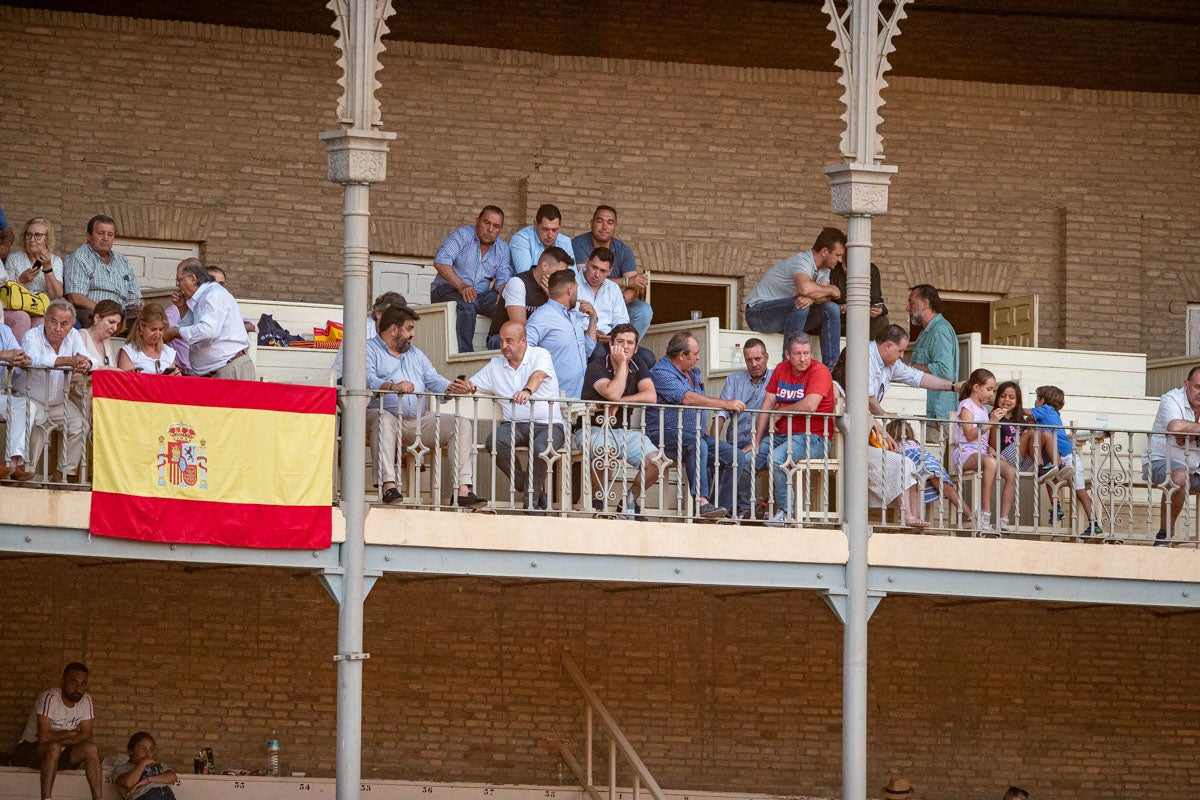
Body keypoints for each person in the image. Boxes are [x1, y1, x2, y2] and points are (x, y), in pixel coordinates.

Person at [366, 304, 486, 509]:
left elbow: (434, 380)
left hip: (419, 419)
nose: (413, 334)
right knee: (383, 419)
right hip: (385, 416)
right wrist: (393, 387)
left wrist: (452, 388)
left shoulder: (416, 354)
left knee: (461, 424)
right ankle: (388, 486)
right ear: (394, 330)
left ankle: (462, 491)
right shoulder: (368, 348)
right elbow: (366, 378)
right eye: (409, 329)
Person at [448, 321, 563, 510]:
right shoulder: (496, 365)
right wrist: (464, 386)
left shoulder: (540, 354)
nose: (503, 346)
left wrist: (527, 391)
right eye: (501, 341)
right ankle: (525, 485)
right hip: (514, 425)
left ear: (523, 341)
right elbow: (474, 385)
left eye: (509, 341)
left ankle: (530, 505)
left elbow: (538, 376)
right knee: (495, 441)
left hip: (548, 424)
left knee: (542, 448)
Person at [645, 330, 742, 520]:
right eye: (695, 354)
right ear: (682, 355)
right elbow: (688, 399)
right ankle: (702, 504)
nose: (698, 358)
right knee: (698, 445)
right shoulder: (661, 372)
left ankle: (719, 510)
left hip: (694, 434)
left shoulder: (694, 372)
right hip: (664, 435)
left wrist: (701, 423)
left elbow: (698, 403)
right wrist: (726, 404)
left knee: (735, 456)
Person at [832, 350, 928, 529]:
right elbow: (841, 419)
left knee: (909, 464)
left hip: (860, 447)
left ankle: (915, 517)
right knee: (901, 464)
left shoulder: (854, 392)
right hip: (844, 447)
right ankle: (907, 515)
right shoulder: (835, 387)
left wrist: (885, 434)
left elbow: (868, 417)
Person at [750, 335, 836, 525]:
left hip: (814, 437)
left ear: (812, 354)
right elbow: (767, 404)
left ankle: (787, 514)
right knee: (746, 459)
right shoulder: (781, 369)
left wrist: (781, 412)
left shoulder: (819, 371)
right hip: (781, 435)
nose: (803, 358)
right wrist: (755, 441)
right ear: (788, 354)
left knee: (778, 458)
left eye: (806, 353)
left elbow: (810, 405)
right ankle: (743, 511)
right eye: (797, 354)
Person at [576, 323, 660, 519]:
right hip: (592, 429)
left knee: (657, 462)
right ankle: (599, 504)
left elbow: (650, 396)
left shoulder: (639, 366)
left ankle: (628, 502)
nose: (625, 346)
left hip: (623, 431)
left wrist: (620, 402)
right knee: (605, 452)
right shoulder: (597, 366)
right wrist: (622, 364)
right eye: (620, 342)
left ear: (636, 348)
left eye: (630, 343)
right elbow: (612, 393)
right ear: (611, 344)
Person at [744, 227, 845, 369]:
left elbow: (827, 299)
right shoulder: (802, 261)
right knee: (800, 305)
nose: (840, 260)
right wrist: (831, 289)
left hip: (787, 317)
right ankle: (788, 366)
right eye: (838, 255)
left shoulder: (825, 269)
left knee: (831, 308)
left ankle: (832, 369)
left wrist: (812, 297)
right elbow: (805, 288)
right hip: (758, 314)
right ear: (824, 252)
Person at [16, 299, 91, 483]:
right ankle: (27, 473)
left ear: (71, 325)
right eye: (53, 321)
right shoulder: (31, 335)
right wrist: (68, 361)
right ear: (45, 319)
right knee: (39, 420)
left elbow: (89, 359)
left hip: (58, 403)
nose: (57, 328)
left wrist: (85, 363)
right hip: (30, 398)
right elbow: (32, 358)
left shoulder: (74, 335)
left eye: (64, 324)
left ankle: (62, 474)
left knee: (81, 426)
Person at [12, 662, 102, 800]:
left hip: (60, 754)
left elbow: (86, 736)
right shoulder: (50, 698)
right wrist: (71, 733)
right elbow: (43, 737)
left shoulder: (86, 700)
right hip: (30, 751)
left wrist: (59, 737)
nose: (78, 688)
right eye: (74, 682)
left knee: (91, 748)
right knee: (54, 747)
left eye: (83, 683)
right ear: (63, 682)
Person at [429, 205, 511, 353]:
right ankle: (464, 354)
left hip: (479, 295)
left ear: (500, 229)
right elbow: (441, 261)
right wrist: (461, 286)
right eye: (486, 223)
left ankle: (494, 344)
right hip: (447, 289)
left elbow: (503, 277)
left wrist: (503, 289)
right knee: (468, 302)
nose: (490, 229)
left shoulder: (503, 249)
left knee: (507, 303)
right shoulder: (462, 235)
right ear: (477, 221)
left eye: (496, 226)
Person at [162, 259, 254, 380]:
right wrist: (183, 307)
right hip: (221, 370)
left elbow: (207, 330)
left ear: (193, 279)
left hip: (229, 369)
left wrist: (175, 332)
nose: (177, 284)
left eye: (179, 279)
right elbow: (196, 328)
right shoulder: (205, 295)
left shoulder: (213, 295)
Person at [570, 205, 652, 338]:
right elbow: (587, 277)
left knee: (643, 311)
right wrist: (626, 281)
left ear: (616, 226)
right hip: (584, 304)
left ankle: (628, 348)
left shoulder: (624, 251)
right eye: (599, 221)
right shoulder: (578, 244)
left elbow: (634, 288)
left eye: (610, 222)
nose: (604, 226)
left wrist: (613, 304)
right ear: (591, 223)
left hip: (615, 303)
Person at [1031, 384, 1101, 536]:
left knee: (1053, 480)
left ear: (1042, 400)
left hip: (1064, 456)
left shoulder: (1045, 410)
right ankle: (1094, 524)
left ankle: (1057, 507)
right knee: (1077, 491)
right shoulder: (1054, 413)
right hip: (1067, 456)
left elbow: (1024, 412)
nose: (1035, 402)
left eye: (1036, 399)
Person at [952, 368, 1016, 533]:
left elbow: (983, 438)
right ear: (976, 387)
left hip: (981, 452)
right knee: (989, 462)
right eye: (989, 389)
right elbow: (970, 434)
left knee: (1011, 472)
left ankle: (1003, 519)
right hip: (965, 452)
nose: (991, 394)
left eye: (992, 390)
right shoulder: (966, 405)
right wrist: (992, 421)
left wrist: (990, 447)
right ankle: (984, 514)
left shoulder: (983, 409)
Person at [1143, 366, 1200, 546]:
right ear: (1186, 385)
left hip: (1196, 468)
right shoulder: (1171, 398)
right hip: (1160, 462)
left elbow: (1182, 430)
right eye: (1197, 387)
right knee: (1179, 476)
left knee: (1183, 474)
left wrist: (1189, 432)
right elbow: (1174, 427)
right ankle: (1165, 533)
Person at [714, 338, 771, 517]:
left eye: (758, 359)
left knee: (742, 460)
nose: (753, 364)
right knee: (710, 457)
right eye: (749, 360)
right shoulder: (734, 379)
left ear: (766, 357)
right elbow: (722, 412)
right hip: (735, 441)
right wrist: (713, 440)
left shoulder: (776, 379)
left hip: (762, 441)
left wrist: (758, 440)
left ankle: (745, 510)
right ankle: (716, 508)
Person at [525, 268, 598, 399]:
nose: (577, 293)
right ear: (570, 290)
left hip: (578, 395)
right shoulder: (542, 316)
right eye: (576, 288)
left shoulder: (575, 315)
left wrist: (593, 318)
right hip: (552, 397)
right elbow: (524, 351)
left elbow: (588, 349)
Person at [867, 325, 963, 418]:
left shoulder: (892, 363)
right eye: (900, 351)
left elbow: (917, 377)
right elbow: (867, 397)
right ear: (888, 345)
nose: (902, 356)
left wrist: (953, 386)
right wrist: (883, 415)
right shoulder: (867, 355)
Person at [485, 246, 570, 349]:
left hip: (535, 339)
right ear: (544, 266)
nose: (561, 278)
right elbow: (520, 327)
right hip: (502, 339)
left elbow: (563, 324)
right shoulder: (518, 283)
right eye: (559, 273)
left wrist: (552, 298)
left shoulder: (552, 290)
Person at [63, 214, 143, 323]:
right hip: (95, 313)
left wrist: (134, 309)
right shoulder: (79, 258)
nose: (105, 238)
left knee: (150, 323)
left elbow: (135, 297)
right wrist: (108, 313)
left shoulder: (122, 261)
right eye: (100, 233)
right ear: (88, 235)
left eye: (110, 234)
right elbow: (75, 297)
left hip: (123, 315)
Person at [887, 418, 968, 521]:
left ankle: (918, 519)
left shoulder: (895, 444)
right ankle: (969, 514)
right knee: (945, 488)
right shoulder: (915, 443)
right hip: (930, 461)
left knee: (917, 489)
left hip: (914, 462)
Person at [4, 216, 65, 340]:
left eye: (38, 235)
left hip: (41, 307)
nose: (32, 239)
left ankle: (32, 358)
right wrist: (21, 281)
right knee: (23, 318)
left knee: (42, 322)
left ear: (47, 239)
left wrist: (48, 268)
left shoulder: (55, 260)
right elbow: (5, 291)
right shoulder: (14, 259)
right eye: (29, 235)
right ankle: (17, 357)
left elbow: (57, 295)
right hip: (17, 306)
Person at [907, 284, 959, 422]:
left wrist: (911, 367)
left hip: (937, 416)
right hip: (929, 414)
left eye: (911, 303)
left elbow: (944, 370)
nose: (908, 308)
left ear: (925, 304)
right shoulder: (927, 330)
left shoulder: (940, 330)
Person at [331, 290, 408, 381]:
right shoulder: (361, 330)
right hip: (347, 381)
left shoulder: (399, 333)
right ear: (379, 314)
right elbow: (360, 368)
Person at [573, 247, 630, 341]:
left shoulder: (613, 288)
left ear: (610, 271)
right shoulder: (572, 283)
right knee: (599, 352)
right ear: (587, 262)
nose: (597, 274)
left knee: (646, 355)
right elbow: (564, 319)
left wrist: (614, 337)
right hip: (580, 337)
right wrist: (588, 332)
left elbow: (621, 320)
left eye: (603, 271)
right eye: (594, 267)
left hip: (609, 338)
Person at [0, 318, 33, 480]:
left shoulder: (3, 330)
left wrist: (23, 361)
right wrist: (2, 355)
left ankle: (12, 464)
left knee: (25, 405)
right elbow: (5, 355)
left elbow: (17, 355)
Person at [829, 259, 889, 339]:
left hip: (862, 317)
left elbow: (877, 299)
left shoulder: (871, 269)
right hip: (840, 318)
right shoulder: (833, 269)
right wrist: (844, 308)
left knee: (882, 321)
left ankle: (871, 350)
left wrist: (879, 310)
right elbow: (825, 304)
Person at [509, 203, 575, 274]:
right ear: (535, 224)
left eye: (554, 230)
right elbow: (527, 276)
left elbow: (573, 276)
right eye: (545, 229)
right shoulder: (521, 239)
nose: (550, 235)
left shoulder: (565, 242)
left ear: (560, 226)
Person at [112, 732, 177, 800]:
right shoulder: (122, 769)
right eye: (143, 749)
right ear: (131, 750)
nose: (148, 753)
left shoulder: (159, 765)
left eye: (151, 749)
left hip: (168, 796)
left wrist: (147, 780)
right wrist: (143, 762)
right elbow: (129, 783)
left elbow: (172, 777)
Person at [118, 304, 179, 374]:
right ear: (141, 327)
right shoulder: (128, 352)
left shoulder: (169, 352)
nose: (157, 334)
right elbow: (124, 382)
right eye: (153, 329)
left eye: (161, 329)